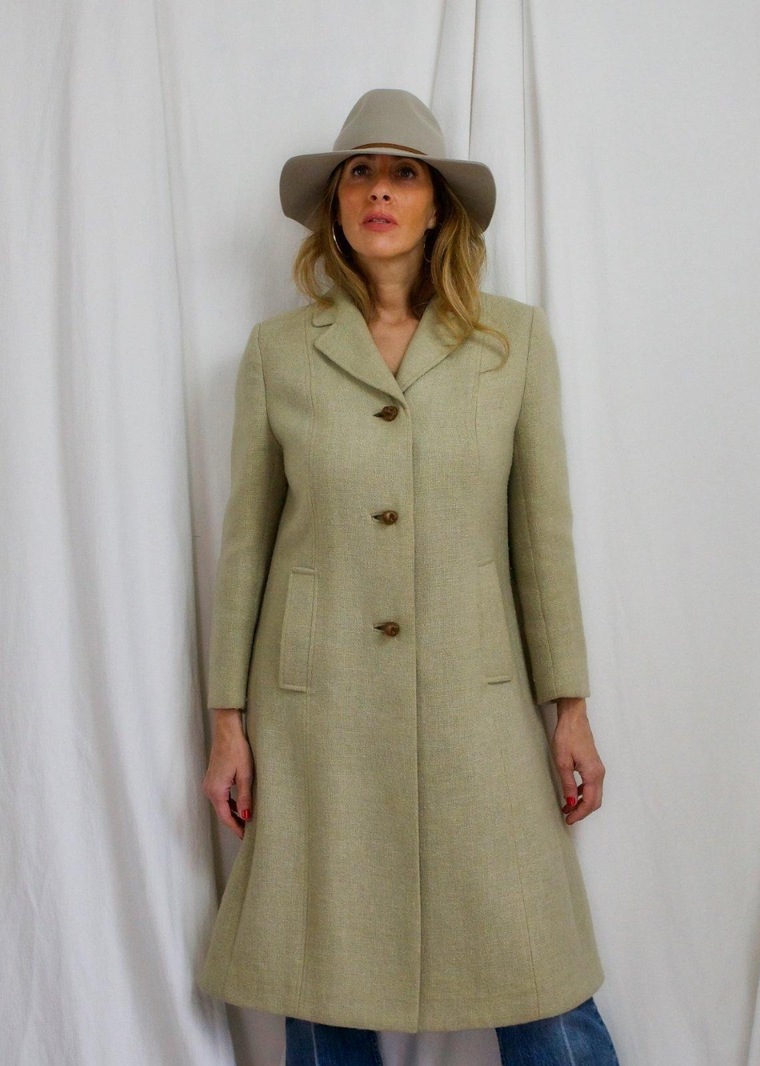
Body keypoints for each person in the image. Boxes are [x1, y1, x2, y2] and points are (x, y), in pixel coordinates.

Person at [199, 88, 620, 1066]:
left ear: (438, 208)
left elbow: (540, 535)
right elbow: (246, 544)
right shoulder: (278, 353)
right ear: (335, 208)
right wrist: (227, 722)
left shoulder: (511, 343)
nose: (378, 191)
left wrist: (569, 708)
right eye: (359, 174)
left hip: (475, 697)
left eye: (403, 174)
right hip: (314, 709)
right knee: (320, 968)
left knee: (535, 963)